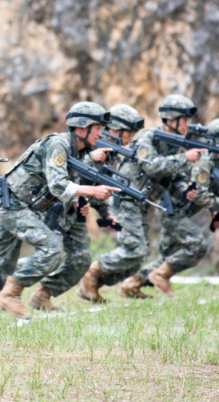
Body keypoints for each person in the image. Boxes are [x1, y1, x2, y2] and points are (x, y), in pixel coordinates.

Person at [0, 102, 119, 324]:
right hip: (14, 205)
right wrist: (93, 190)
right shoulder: (59, 144)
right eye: (97, 127)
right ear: (81, 127)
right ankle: (11, 293)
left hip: (17, 205)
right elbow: (58, 185)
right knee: (52, 248)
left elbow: (64, 184)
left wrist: (77, 200)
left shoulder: (77, 150)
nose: (100, 132)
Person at [124, 95, 208, 297]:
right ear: (170, 120)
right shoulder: (148, 137)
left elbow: (174, 178)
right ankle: (94, 279)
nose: (188, 124)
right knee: (133, 252)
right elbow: (152, 166)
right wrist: (183, 158)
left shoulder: (175, 145)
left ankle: (132, 284)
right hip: (128, 199)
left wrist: (185, 189)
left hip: (147, 201)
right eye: (184, 120)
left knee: (162, 253)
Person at [75, 104, 150, 302]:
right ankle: (90, 275)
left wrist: (105, 213)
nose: (131, 138)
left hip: (80, 207)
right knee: (51, 255)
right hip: (61, 204)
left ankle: (92, 283)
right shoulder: (88, 147)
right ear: (115, 130)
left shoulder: (111, 153)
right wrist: (90, 159)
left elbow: (98, 182)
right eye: (129, 132)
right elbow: (67, 171)